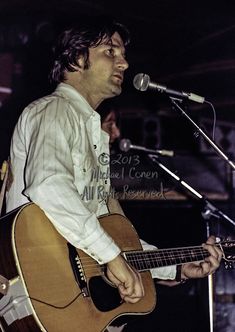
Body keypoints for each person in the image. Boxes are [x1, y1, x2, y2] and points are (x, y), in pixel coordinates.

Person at [6, 16, 222, 330]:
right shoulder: (54, 110)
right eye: (111, 52)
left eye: (122, 54)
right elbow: (50, 186)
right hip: (35, 293)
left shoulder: (90, 130)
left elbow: (111, 239)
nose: (124, 62)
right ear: (78, 58)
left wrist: (177, 267)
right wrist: (111, 257)